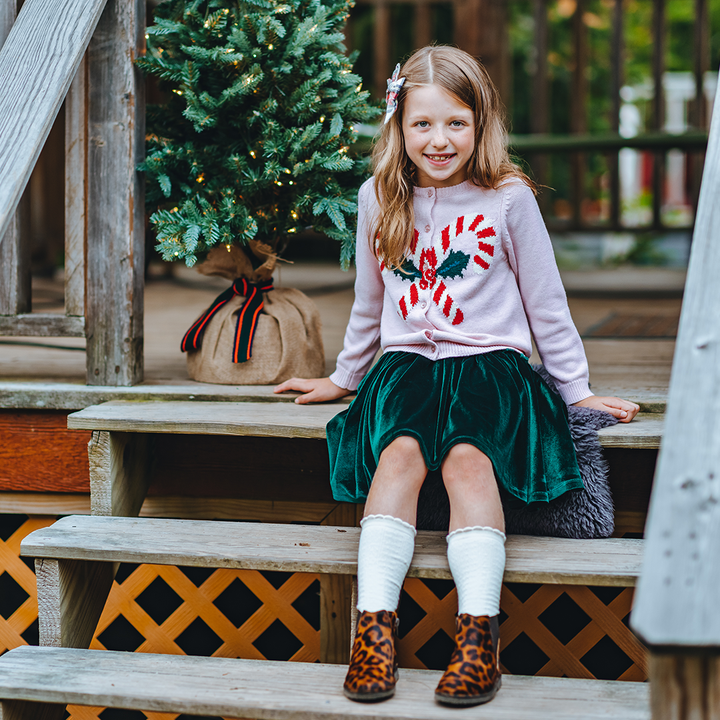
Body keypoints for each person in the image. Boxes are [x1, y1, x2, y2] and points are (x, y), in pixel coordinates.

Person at [275, 45, 639, 707]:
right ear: (399, 125)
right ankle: (373, 633)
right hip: (406, 368)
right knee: (398, 458)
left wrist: (577, 390)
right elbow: (368, 303)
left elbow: (545, 300)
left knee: (471, 461)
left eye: (455, 124)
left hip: (490, 368)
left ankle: (478, 636)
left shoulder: (508, 199)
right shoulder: (378, 196)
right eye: (422, 124)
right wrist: (343, 377)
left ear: (482, 124)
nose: (438, 140)